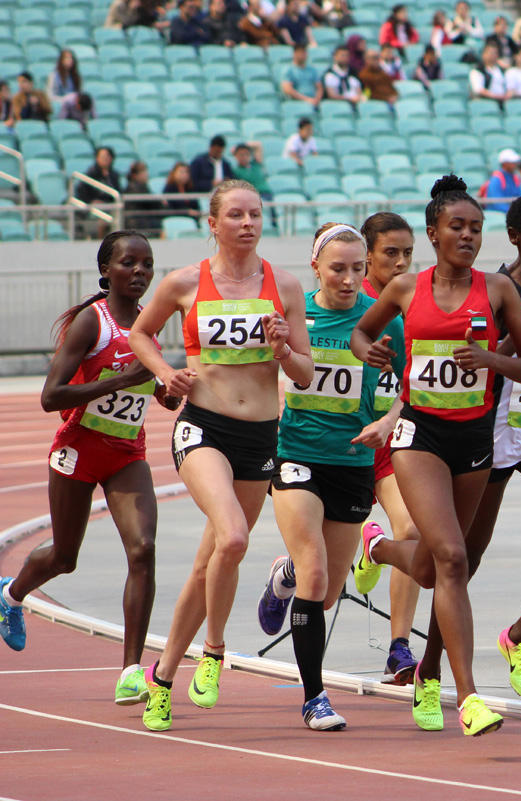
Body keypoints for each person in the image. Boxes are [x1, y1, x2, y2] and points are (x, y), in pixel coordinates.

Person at [368, 193, 521, 706]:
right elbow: (476, 357)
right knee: (456, 563)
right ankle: (429, 670)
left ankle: (517, 637)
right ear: (515, 237)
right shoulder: (496, 289)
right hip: (488, 433)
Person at [350, 174, 521, 736]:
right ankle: (469, 697)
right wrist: (374, 351)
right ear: (434, 232)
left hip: (473, 440)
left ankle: (379, 548)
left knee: (436, 568)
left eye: (476, 229)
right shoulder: (407, 288)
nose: (468, 236)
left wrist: (492, 361)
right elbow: (362, 335)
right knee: (455, 558)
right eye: (457, 227)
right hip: (419, 433)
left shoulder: (499, 291)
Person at [128, 180, 314, 732]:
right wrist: (165, 373)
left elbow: (303, 373)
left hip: (261, 434)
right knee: (233, 536)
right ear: (213, 222)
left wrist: (284, 346)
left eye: (255, 214)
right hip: (202, 427)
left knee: (210, 562)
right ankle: (213, 651)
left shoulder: (285, 285)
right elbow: (142, 334)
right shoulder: (185, 282)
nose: (247, 223)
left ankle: (161, 679)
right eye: (235, 215)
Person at [0, 231, 179, 706]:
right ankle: (11, 595)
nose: (140, 272)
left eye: (147, 264)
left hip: (126, 454)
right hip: (79, 448)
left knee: (142, 548)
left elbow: (153, 390)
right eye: (129, 263)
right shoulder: (88, 323)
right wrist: (124, 378)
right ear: (106, 271)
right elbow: (50, 397)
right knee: (64, 557)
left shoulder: (148, 328)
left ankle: (130, 671)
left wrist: (168, 391)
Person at [255, 223, 406, 730]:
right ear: (315, 266)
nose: (348, 279)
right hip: (298, 454)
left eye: (358, 269)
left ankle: (285, 578)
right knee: (318, 571)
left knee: (327, 586)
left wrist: (385, 423)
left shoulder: (384, 319)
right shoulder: (298, 316)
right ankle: (314, 696)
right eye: (337, 268)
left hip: (355, 464)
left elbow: (401, 387)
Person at [348, 212, 424, 684]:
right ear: (367, 256)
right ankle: (286, 575)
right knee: (319, 559)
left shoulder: (419, 301)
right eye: (389, 253)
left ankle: (399, 646)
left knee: (413, 529)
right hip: (346, 441)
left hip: (394, 440)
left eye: (408, 253)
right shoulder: (351, 302)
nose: (400, 262)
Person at [125, 161, 166, 235]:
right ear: (135, 175)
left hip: (143, 219)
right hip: (137, 222)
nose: (146, 175)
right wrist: (161, 203)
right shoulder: (136, 187)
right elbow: (150, 202)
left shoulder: (141, 186)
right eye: (143, 172)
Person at [484, 149, 521, 213]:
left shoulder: (515, 178)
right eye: (513, 162)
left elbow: (520, 197)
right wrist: (514, 212)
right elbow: (497, 203)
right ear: (505, 164)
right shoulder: (496, 179)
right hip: (497, 215)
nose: (515, 164)